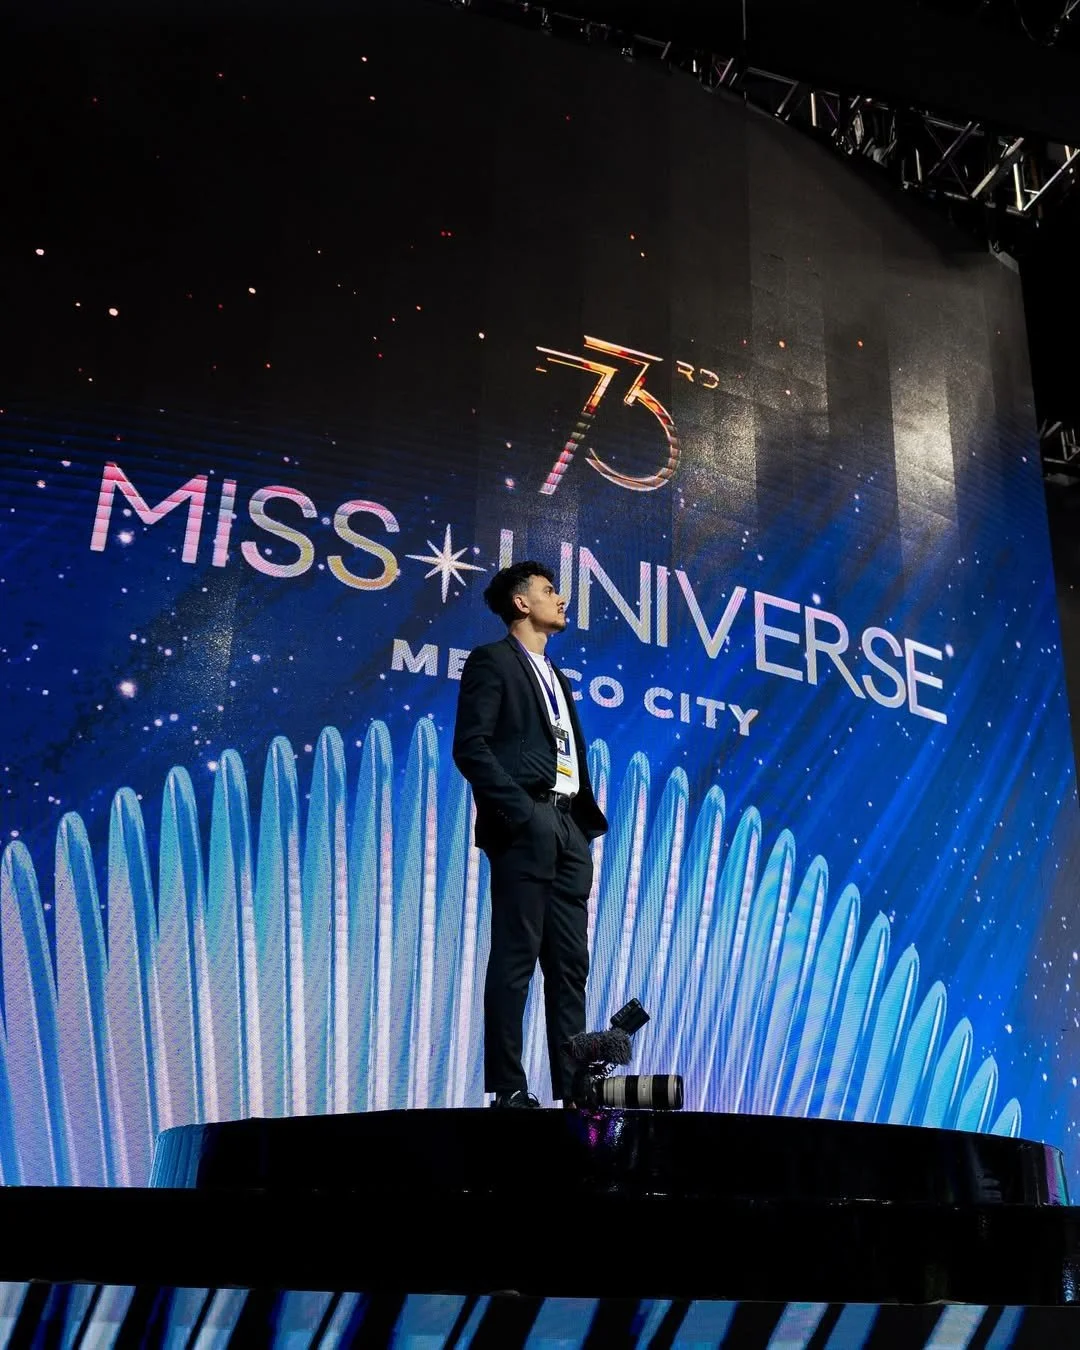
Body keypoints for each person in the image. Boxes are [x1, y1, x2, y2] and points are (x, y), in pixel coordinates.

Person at [453, 561, 608, 1108]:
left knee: (570, 967)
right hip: (527, 822)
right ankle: (508, 1087)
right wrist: (521, 812)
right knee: (516, 957)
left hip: (569, 828)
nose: (560, 599)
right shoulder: (492, 661)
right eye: (548, 591)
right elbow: (471, 746)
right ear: (521, 603)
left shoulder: (557, 676)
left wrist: (575, 825)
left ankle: (576, 1090)